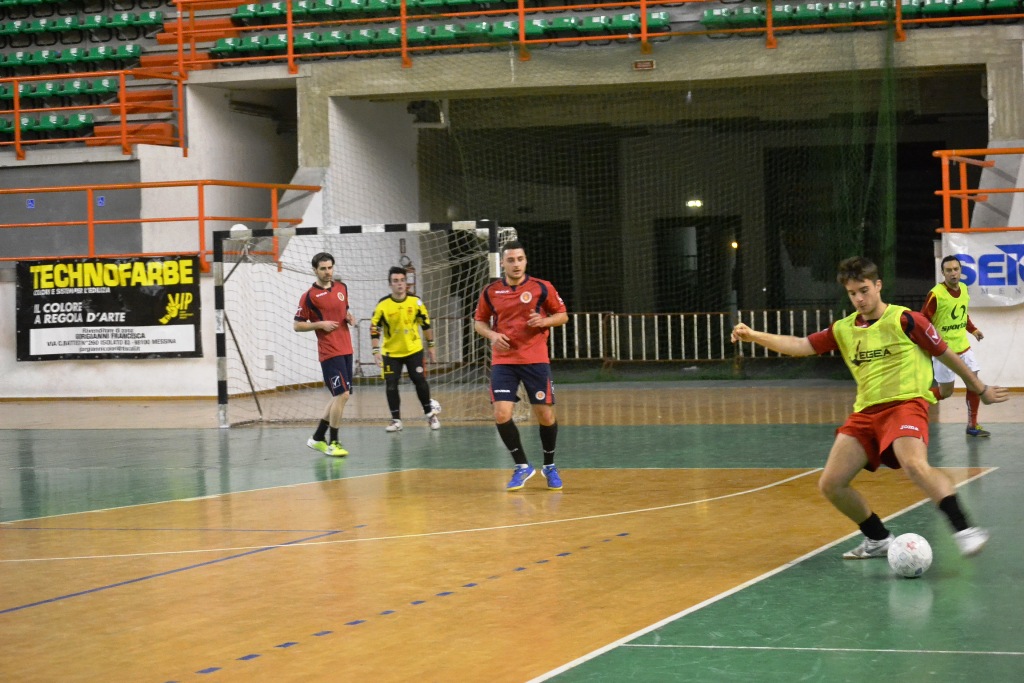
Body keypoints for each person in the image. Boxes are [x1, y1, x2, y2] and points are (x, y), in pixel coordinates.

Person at [730, 256, 1008, 559]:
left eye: (864, 290)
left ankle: (965, 529)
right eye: (852, 293)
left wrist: (979, 389)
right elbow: (800, 345)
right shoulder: (844, 329)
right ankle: (878, 538)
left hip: (906, 404)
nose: (859, 299)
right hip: (866, 413)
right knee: (831, 484)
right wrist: (753, 335)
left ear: (878, 285)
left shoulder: (906, 320)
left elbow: (946, 354)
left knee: (914, 464)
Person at [474, 240, 568, 492]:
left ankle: (549, 465)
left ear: (526, 261)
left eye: (520, 259)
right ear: (502, 263)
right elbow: (479, 321)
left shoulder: (541, 287)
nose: (516, 264)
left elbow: (563, 315)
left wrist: (545, 321)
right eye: (511, 260)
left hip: (535, 359)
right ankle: (522, 466)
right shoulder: (491, 291)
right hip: (503, 362)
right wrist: (493, 336)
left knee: (545, 416)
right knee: (501, 414)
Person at [294, 252, 355, 457]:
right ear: (315, 270)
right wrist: (320, 324)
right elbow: (297, 325)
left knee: (339, 396)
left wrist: (348, 316)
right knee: (342, 395)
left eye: (330, 268)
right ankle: (334, 442)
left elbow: (343, 310)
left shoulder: (342, 288)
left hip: (346, 348)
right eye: (323, 269)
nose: (327, 272)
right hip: (329, 352)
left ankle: (318, 437)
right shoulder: (309, 296)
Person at [921, 255, 989, 437]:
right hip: (944, 352)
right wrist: (928, 345)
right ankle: (915, 401)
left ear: (960, 271)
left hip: (964, 348)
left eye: (956, 269)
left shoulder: (965, 289)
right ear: (942, 273)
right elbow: (923, 321)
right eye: (949, 270)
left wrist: (973, 330)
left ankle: (972, 426)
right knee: (946, 392)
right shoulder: (936, 294)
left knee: (974, 384)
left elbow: (962, 314)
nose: (953, 273)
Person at [370, 266, 442, 432]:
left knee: (420, 381)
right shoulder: (383, 305)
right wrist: (375, 352)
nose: (399, 284)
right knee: (391, 385)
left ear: (406, 283)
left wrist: (431, 346)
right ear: (390, 284)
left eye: (402, 280)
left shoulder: (415, 302)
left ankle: (430, 415)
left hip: (414, 351)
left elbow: (426, 324)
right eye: (395, 281)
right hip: (391, 353)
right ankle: (396, 420)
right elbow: (375, 329)